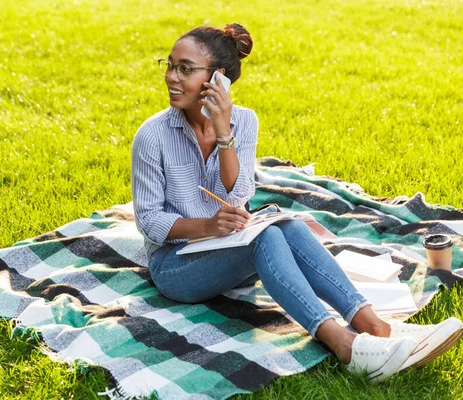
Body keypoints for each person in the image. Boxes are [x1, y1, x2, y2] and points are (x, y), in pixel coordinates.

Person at [130, 23, 463, 382]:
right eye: (170, 64)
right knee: (267, 237)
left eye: (185, 68)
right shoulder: (152, 136)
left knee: (286, 224)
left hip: (226, 246)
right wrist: (208, 226)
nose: (171, 77)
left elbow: (239, 195)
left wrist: (224, 132)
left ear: (218, 79)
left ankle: (373, 325)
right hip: (175, 265)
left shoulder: (243, 121)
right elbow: (149, 221)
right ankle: (344, 346)